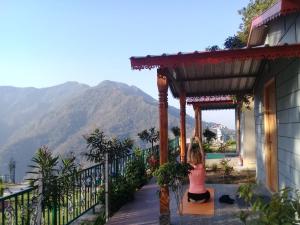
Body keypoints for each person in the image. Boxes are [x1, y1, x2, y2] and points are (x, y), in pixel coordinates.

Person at [187, 136, 210, 203]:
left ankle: (192, 200)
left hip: (191, 196)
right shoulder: (202, 166)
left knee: (191, 196)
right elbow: (203, 154)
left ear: (191, 157)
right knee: (208, 193)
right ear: (200, 157)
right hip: (202, 197)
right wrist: (199, 141)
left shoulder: (188, 166)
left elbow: (188, 151)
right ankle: (200, 200)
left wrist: (191, 141)